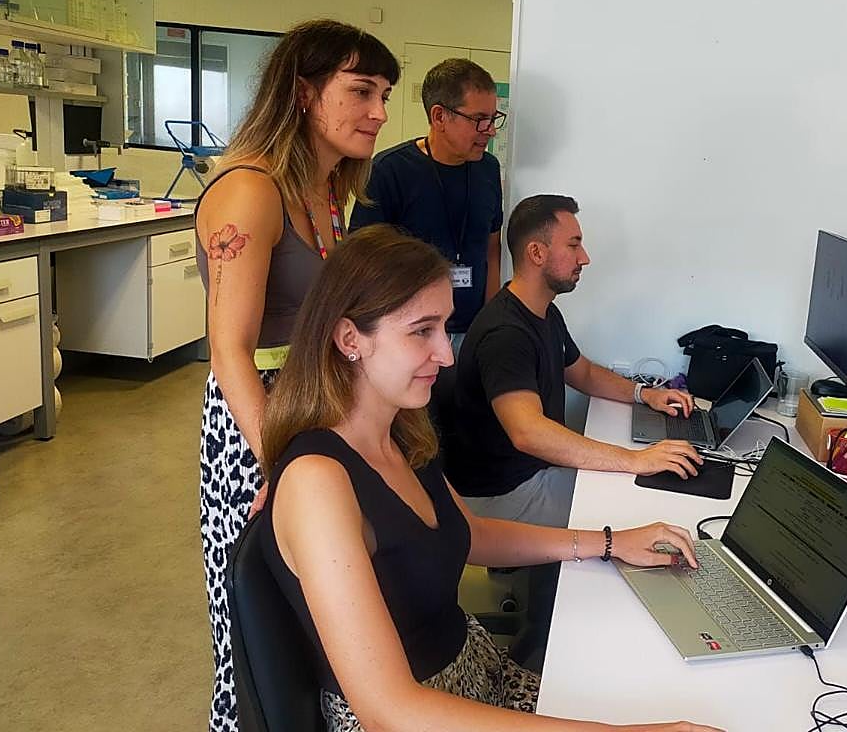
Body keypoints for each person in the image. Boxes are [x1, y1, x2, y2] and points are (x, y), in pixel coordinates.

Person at [259, 225, 722, 732]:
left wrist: (610, 543)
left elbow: (473, 534)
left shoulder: (400, 432)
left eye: (445, 328)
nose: (447, 353)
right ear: (351, 339)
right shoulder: (318, 482)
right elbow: (390, 711)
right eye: (422, 331)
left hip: (478, 679)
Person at [194, 18, 400, 732]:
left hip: (318, 416)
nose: (379, 112)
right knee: (262, 632)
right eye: (362, 91)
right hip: (261, 429)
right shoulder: (251, 190)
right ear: (305, 92)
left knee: (334, 617)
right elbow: (230, 351)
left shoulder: (329, 190)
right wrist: (281, 467)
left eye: (385, 94)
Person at [447, 194, 701, 529]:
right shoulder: (506, 333)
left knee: (629, 483)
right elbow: (528, 432)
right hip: (502, 493)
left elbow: (583, 373)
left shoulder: (543, 311)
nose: (585, 258)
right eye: (574, 245)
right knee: (630, 503)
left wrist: (645, 394)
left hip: (531, 471)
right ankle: (540, 576)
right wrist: (635, 459)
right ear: (537, 253)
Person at [348, 58, 505, 346]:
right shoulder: (389, 172)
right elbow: (363, 260)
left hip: (475, 331)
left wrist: (490, 321)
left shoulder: (488, 169)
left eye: (494, 119)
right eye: (480, 120)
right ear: (439, 117)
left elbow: (492, 249)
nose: (491, 130)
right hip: (411, 333)